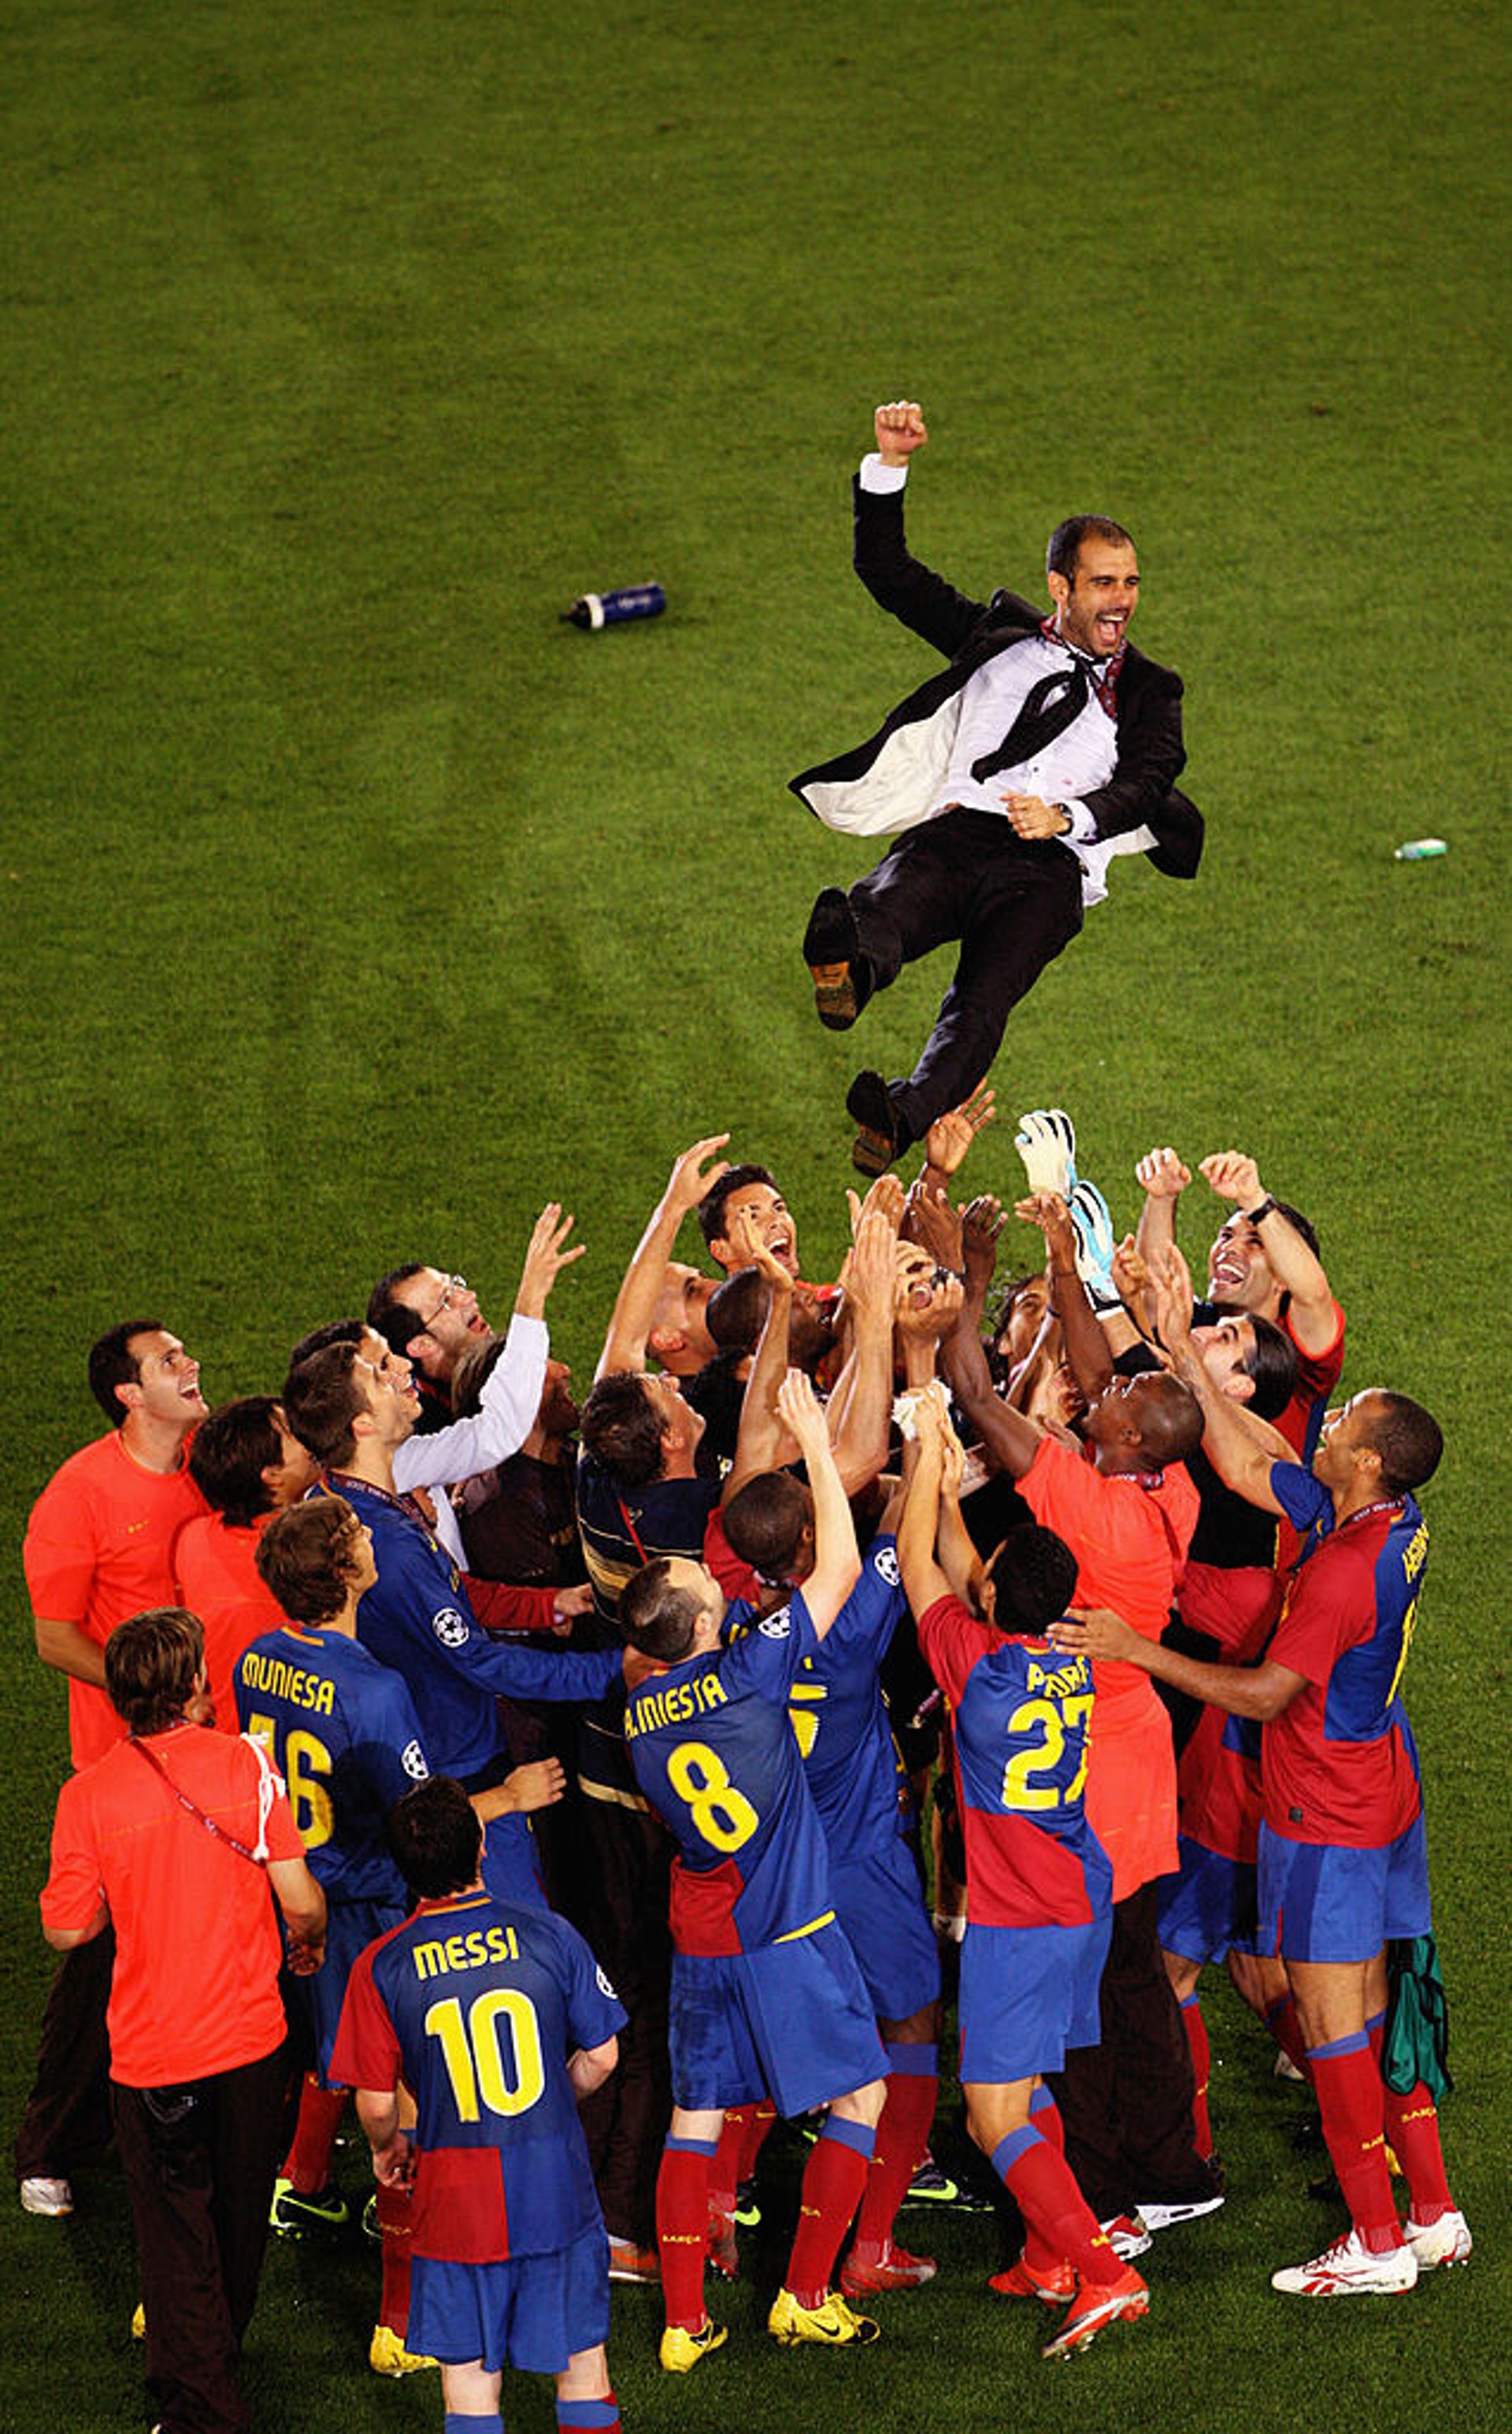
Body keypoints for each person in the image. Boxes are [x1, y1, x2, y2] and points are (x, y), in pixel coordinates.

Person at [1053, 1252, 1470, 2297]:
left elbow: (1265, 1693)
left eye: (1344, 1423)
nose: (1326, 1424)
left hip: (1325, 1810)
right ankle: (1431, 2211)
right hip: (1380, 1786)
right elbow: (1248, 1464)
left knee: (1333, 2028)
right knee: (1372, 2008)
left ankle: (1374, 2239)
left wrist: (1138, 1648)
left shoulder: (1338, 1570)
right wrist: (1187, 1355)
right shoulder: (1383, 1520)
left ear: (1365, 1462)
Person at [791, 398, 1203, 1172]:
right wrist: (890, 465)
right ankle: (847, 967)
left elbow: (1150, 782)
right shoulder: (995, 638)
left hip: (1048, 870)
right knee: (886, 902)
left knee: (980, 1004)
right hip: (960, 831)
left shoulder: (1153, 689)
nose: (1122, 599)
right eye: (1104, 582)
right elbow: (888, 573)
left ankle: (898, 1118)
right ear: (1060, 585)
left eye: (1131, 582)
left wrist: (1067, 816)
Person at [942, 1276, 1221, 2240]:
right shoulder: (1166, 1483)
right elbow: (1106, 1381)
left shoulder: (1091, 1505)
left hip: (1091, 1767)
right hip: (1133, 1752)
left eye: (1119, 1398)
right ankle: (1171, 2166)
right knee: (1131, 1970)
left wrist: (971, 1277)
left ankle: (1103, 2191)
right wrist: (1064, 1264)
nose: (1103, 1387)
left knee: (1093, 1985)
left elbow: (974, 1394)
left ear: (1131, 1436)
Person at [622, 1370, 889, 2370]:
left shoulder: (639, 1715)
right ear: (700, 1629)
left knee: (695, 2117)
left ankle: (683, 2323)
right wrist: (816, 1439)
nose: (708, 1577)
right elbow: (840, 1567)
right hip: (785, 1928)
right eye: (698, 1584)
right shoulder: (749, 1671)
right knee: (860, 2099)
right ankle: (805, 2296)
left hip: (702, 1933)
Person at [898, 1401, 1149, 2361]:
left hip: (1020, 1916)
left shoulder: (976, 1662)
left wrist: (925, 1459)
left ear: (997, 1598)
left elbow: (922, 1566)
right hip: (1079, 1894)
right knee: (1028, 2081)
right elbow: (968, 1571)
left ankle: (1103, 2271)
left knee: (991, 2111)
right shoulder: (1068, 1646)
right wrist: (943, 1473)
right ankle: (1048, 2258)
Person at [39, 1606, 326, 2434]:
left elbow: (66, 1927)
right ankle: (204, 2388)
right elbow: (301, 1900)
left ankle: (199, 2397)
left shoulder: (89, 1795)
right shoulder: (247, 1764)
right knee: (235, 2221)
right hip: (251, 2042)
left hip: (155, 2054)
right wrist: (307, 1940)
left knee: (173, 2231)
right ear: (195, 1683)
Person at [331, 1775, 627, 2434]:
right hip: (554, 2188)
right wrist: (558, 2099)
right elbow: (604, 2055)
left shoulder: (382, 1965)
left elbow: (376, 2103)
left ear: (404, 1868)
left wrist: (387, 2147)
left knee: (469, 2384)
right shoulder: (550, 1934)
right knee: (582, 2368)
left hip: (455, 2202)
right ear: (482, 1844)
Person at [17, 1318, 210, 2217]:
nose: (190, 1363)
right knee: (100, 1954)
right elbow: (55, 1638)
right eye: (169, 1361)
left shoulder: (207, 1464)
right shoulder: (79, 1495)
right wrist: (152, 1691)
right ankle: (51, 2145)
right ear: (130, 1395)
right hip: (123, 1759)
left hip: (208, 1743)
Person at [176, 1395, 321, 1730]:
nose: (308, 1434)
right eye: (293, 1433)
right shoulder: (303, 1560)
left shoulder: (194, 1537)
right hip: (279, 1741)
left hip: (227, 1731)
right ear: (272, 1476)